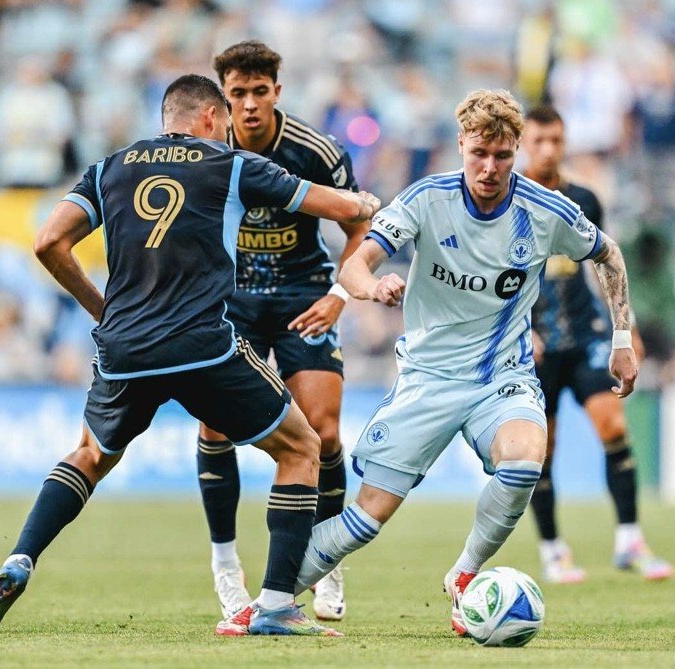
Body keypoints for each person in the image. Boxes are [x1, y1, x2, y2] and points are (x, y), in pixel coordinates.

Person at [0, 74, 380, 637]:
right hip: (202, 346)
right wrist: (365, 201)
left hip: (125, 347)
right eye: (225, 121)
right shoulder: (230, 163)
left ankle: (20, 558)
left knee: (89, 455)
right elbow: (337, 205)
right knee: (302, 448)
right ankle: (278, 605)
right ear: (210, 117)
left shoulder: (111, 167)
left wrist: (102, 309)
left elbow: (47, 242)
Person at [217, 88, 638, 636]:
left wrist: (622, 338)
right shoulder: (425, 199)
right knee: (365, 519)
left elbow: (608, 254)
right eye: (479, 154)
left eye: (502, 156)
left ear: (516, 151)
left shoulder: (546, 210)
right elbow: (356, 265)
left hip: (501, 378)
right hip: (427, 379)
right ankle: (270, 603)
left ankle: (464, 576)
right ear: (461, 145)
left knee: (525, 460)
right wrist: (373, 286)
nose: (489, 168)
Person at [197, 40, 363, 624]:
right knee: (215, 426)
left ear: (277, 93)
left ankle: (327, 558)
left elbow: (360, 222)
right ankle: (225, 564)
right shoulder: (207, 152)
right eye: (237, 94)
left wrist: (340, 295)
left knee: (324, 431)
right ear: (223, 98)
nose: (248, 105)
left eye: (259, 92)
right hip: (233, 300)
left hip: (303, 295)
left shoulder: (315, 151)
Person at [520, 104, 673, 584]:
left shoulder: (583, 198)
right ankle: (553, 549)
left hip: (586, 333)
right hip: (533, 345)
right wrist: (515, 329)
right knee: (541, 450)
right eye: (539, 141)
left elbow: (605, 266)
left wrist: (626, 331)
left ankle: (630, 541)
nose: (548, 150)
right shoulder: (507, 199)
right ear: (523, 144)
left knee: (613, 426)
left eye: (556, 141)